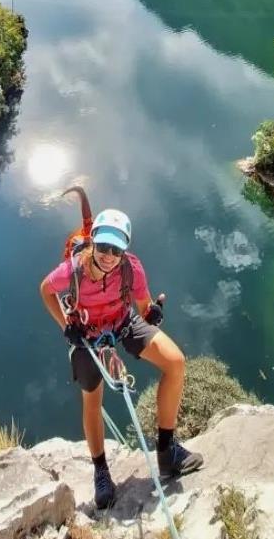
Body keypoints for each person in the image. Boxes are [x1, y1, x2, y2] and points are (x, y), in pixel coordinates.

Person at [38, 208, 203, 510]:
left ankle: (167, 453)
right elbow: (46, 290)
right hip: (87, 335)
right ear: (93, 244)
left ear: (125, 249)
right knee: (93, 399)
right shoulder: (73, 271)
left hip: (122, 324)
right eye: (103, 247)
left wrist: (152, 313)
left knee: (176, 363)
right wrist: (66, 325)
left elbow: (143, 305)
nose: (109, 256)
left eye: (117, 249)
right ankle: (101, 472)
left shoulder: (131, 269)